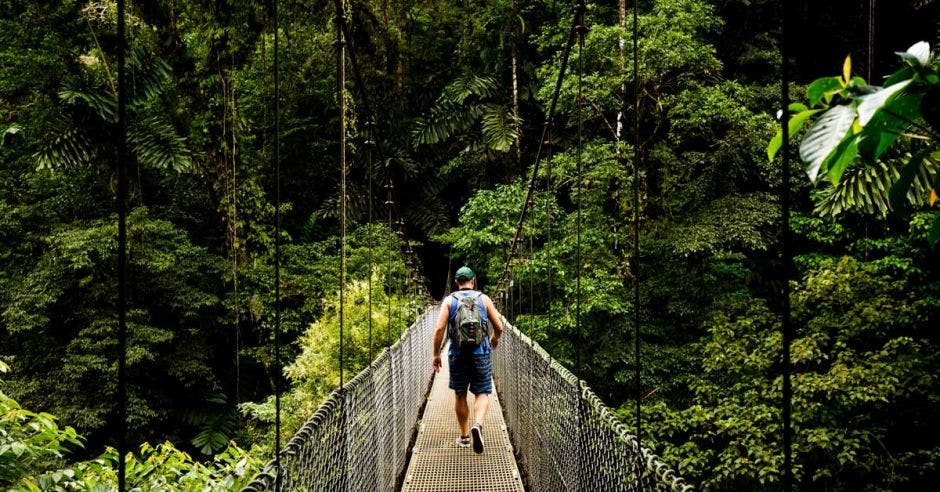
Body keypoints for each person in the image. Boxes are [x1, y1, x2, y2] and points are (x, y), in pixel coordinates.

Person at [432, 266, 504, 454]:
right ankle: (478, 426)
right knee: (482, 392)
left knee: (460, 393)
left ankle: (464, 437)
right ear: (473, 280)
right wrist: (494, 338)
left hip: (457, 354)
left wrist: (436, 354)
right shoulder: (484, 299)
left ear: (456, 282)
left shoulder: (449, 301)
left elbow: (440, 329)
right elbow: (500, 327)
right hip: (481, 354)